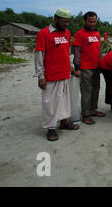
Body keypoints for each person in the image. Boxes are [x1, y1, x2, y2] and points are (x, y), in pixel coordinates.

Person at [35, 8, 79, 141]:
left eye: (68, 22)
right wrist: (40, 76)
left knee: (65, 101)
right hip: (50, 75)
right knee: (50, 103)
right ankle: (51, 128)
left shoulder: (67, 33)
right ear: (55, 18)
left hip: (64, 73)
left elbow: (66, 53)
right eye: (63, 21)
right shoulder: (44, 33)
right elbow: (39, 55)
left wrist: (71, 67)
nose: (66, 24)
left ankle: (64, 122)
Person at [73, 11, 104, 125]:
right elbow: (76, 52)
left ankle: (92, 110)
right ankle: (85, 115)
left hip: (97, 67)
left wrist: (101, 63)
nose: (92, 24)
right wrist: (77, 67)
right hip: (85, 67)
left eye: (94, 21)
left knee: (96, 89)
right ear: (85, 21)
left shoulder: (97, 33)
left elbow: (99, 49)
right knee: (87, 91)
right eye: (90, 22)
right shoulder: (79, 34)